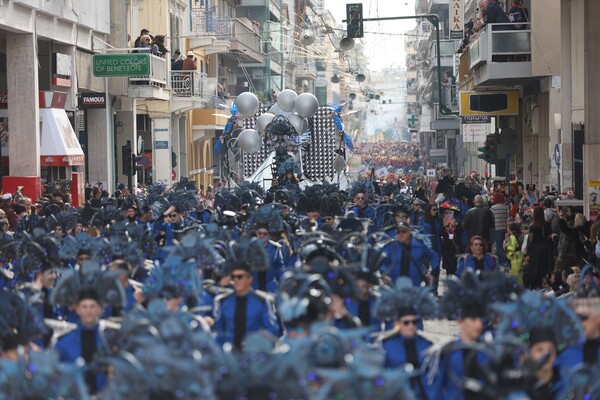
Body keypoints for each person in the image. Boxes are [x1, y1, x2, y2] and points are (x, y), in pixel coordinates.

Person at [213, 263, 280, 350]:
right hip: (229, 353)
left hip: (254, 352)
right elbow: (218, 330)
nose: (236, 280)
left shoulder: (262, 301)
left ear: (249, 279)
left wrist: (258, 343)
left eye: (240, 277)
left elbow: (272, 329)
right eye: (233, 277)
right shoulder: (222, 301)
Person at [54, 289, 106, 394]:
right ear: (77, 309)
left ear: (99, 309)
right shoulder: (64, 343)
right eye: (84, 307)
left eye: (92, 306)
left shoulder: (109, 341)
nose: (88, 311)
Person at [378, 308, 432, 399]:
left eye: (414, 322)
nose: (410, 326)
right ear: (398, 323)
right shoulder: (386, 345)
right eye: (406, 322)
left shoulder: (426, 343)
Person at [381, 222, 437, 287]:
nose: (401, 234)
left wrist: (433, 273)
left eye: (403, 231)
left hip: (414, 287)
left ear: (409, 231)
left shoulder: (419, 245)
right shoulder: (391, 247)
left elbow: (433, 256)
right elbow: (383, 262)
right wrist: (384, 274)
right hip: (394, 287)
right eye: (398, 232)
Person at [524, 207, 553, 289]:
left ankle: (535, 286)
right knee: (544, 268)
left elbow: (531, 240)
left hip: (535, 250)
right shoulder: (547, 224)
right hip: (546, 249)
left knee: (535, 269)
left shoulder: (533, 226)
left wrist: (528, 253)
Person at [420, 203, 443, 295]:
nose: (435, 212)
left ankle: (434, 290)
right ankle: (426, 288)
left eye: (436, 210)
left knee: (436, 268)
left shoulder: (439, 220)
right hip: (426, 247)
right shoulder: (423, 221)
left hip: (437, 247)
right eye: (433, 210)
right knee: (424, 269)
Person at [490, 191, 509, 265]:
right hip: (505, 228)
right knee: (504, 245)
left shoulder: (493, 208)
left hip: (497, 228)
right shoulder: (506, 207)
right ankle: (501, 259)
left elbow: (491, 219)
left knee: (499, 245)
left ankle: (504, 260)